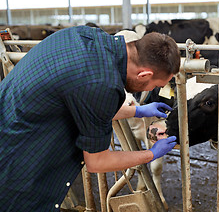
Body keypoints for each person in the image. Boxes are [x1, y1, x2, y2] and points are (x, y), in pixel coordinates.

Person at [0, 26, 180, 211]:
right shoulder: (103, 84)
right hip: (16, 169)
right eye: (154, 85)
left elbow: (86, 107)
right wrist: (151, 154)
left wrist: (137, 111)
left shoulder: (86, 36)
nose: (150, 91)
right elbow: (97, 161)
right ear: (144, 74)